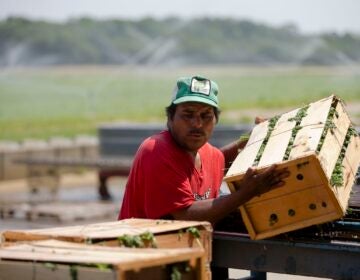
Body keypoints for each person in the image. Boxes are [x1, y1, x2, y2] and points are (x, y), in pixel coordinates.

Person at [118, 75, 289, 278]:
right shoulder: (156, 150)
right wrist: (247, 192)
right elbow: (186, 216)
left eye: (206, 116)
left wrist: (253, 139)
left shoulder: (208, 153)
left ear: (215, 120)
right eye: (187, 115)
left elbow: (218, 160)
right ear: (170, 117)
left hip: (191, 260)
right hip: (145, 266)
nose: (197, 124)